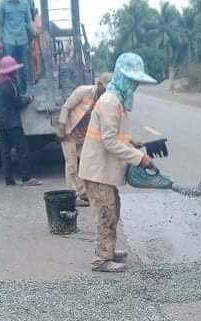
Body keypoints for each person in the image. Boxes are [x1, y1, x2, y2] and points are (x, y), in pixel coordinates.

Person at [78, 53, 157, 273]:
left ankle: (109, 250)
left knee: (113, 209)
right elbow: (109, 141)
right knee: (106, 213)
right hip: (97, 171)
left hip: (103, 171)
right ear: (123, 78)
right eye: (133, 81)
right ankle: (101, 259)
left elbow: (114, 134)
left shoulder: (116, 101)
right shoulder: (110, 102)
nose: (135, 87)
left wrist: (131, 141)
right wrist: (140, 158)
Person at [57, 72, 112, 207]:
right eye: (104, 88)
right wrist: (62, 127)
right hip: (69, 132)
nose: (105, 92)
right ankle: (73, 196)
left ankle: (83, 192)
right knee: (71, 166)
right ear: (99, 85)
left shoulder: (106, 101)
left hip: (84, 136)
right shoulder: (82, 91)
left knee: (86, 164)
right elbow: (66, 107)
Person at [0, 55, 42, 187]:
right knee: (22, 150)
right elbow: (18, 103)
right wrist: (28, 99)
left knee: (5, 152)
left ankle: (9, 179)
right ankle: (26, 178)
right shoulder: (11, 84)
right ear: (11, 71)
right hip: (13, 122)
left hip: (2, 122)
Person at [0, 0, 35, 93]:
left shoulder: (25, 3)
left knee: (24, 69)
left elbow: (29, 21)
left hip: (22, 40)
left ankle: (22, 93)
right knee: (7, 69)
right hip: (8, 41)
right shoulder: (2, 4)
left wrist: (34, 34)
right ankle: (9, 92)